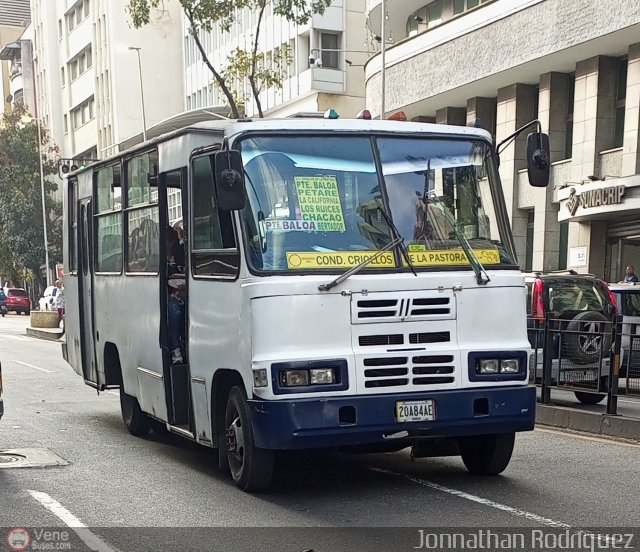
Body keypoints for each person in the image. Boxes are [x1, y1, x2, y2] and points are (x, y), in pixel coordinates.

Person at [167, 226, 186, 364]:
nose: (172, 246)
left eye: (174, 242)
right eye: (170, 243)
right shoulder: (159, 261)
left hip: (184, 292)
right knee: (174, 308)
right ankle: (175, 348)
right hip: (170, 296)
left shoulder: (178, 257)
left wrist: (181, 239)